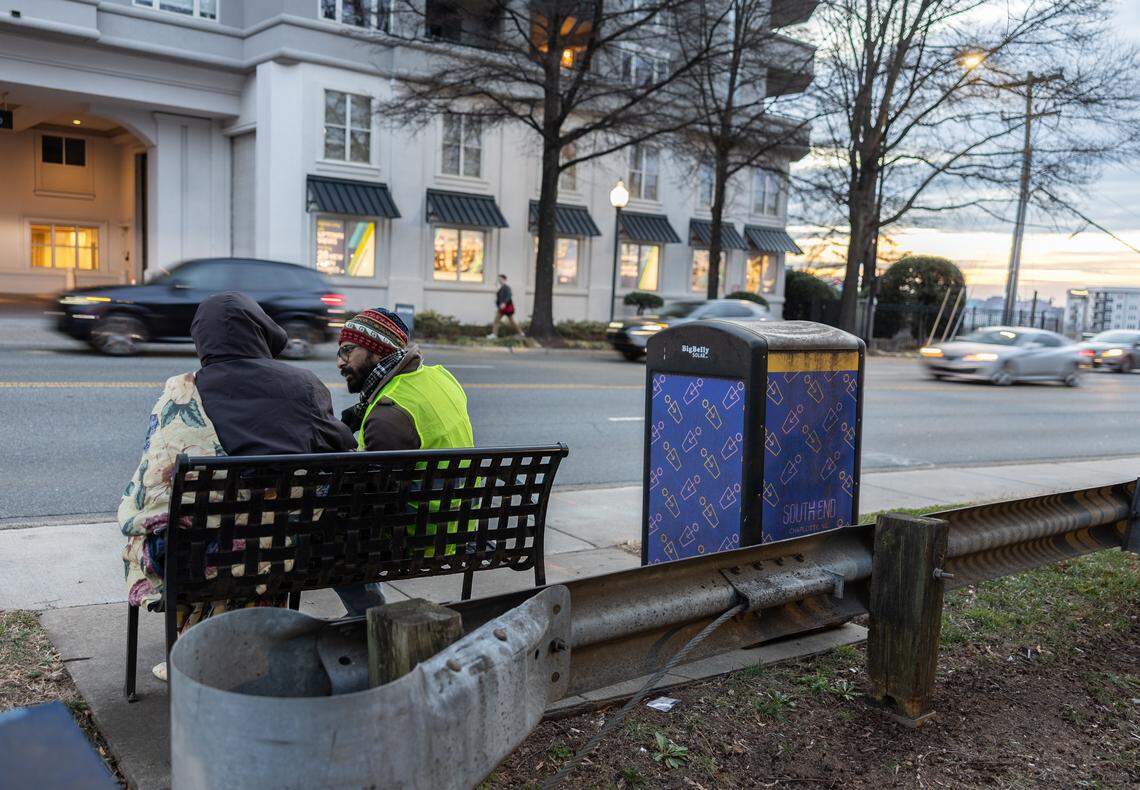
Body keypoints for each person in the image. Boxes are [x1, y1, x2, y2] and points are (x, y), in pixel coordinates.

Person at [118, 292, 355, 680]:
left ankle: (202, 647)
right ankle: (238, 643)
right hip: (289, 551)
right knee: (253, 530)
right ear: (260, 331)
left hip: (192, 560)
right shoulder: (304, 385)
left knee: (179, 531)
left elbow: (151, 483)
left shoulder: (180, 393)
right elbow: (341, 449)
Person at [336, 307, 476, 611]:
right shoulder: (441, 377)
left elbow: (369, 501)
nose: (340, 361)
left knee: (323, 534)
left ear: (377, 350)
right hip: (459, 524)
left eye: (348, 350)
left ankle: (367, 616)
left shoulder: (389, 413)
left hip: (419, 540)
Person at [487, 273, 524, 339]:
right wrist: (498, 303)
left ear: (504, 279)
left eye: (500, 279)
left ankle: (521, 333)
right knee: (496, 321)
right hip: (502, 308)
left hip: (506, 308)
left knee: (511, 321)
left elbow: (509, 295)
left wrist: (504, 303)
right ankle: (494, 335)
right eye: (498, 279)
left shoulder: (507, 287)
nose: (499, 280)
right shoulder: (501, 288)